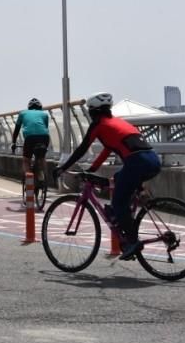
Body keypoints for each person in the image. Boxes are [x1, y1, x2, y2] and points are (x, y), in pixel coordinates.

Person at [54, 92, 161, 261]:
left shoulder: (99, 124)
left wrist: (63, 168)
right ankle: (134, 203)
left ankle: (132, 242)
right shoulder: (118, 123)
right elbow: (108, 149)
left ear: (94, 111)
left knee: (118, 203)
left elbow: (82, 148)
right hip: (153, 160)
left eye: (90, 110)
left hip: (136, 163)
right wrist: (92, 168)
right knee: (119, 179)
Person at [11, 98, 50, 184]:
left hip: (30, 138)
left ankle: (29, 182)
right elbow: (45, 128)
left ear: (28, 108)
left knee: (26, 160)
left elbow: (16, 130)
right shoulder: (45, 114)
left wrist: (13, 142)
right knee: (41, 157)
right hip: (44, 137)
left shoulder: (23, 113)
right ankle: (44, 178)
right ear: (40, 107)